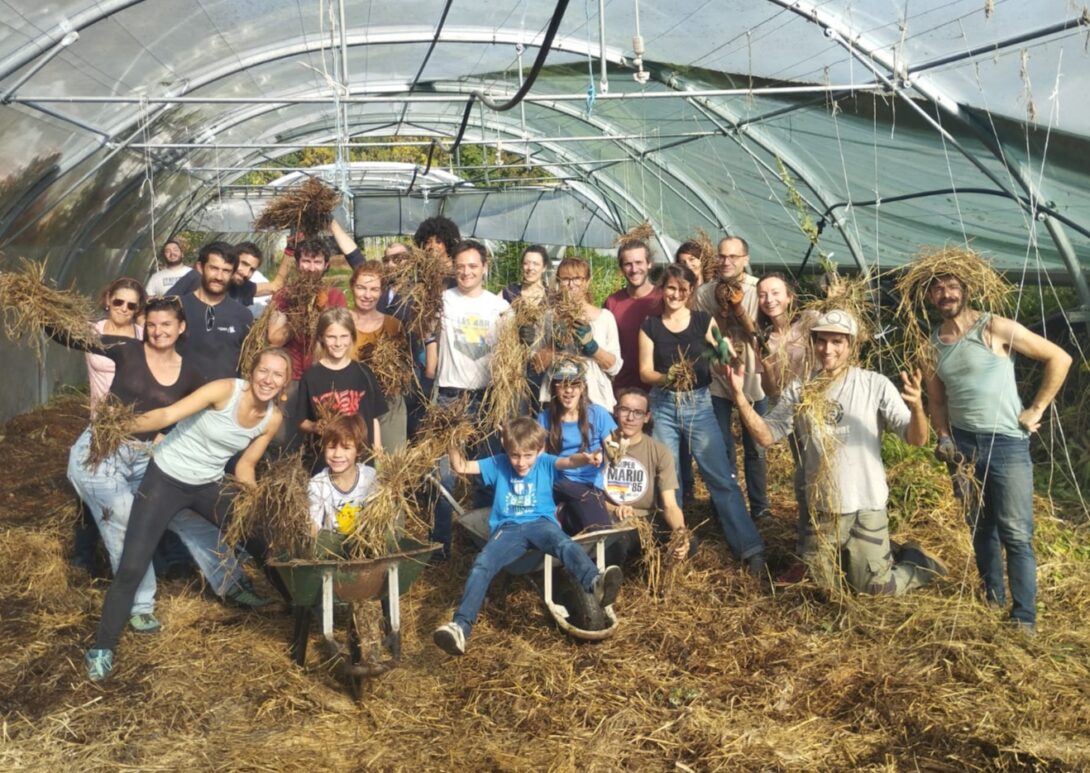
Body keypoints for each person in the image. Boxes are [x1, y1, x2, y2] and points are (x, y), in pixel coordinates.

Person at [56, 296, 257, 639]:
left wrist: (169, 434)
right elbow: (77, 338)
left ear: (181, 328)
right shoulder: (127, 349)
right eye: (151, 324)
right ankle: (140, 606)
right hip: (99, 452)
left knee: (188, 515)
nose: (158, 331)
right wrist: (48, 316)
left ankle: (232, 583)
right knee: (122, 519)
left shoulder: (191, 374)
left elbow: (201, 415)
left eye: (166, 324)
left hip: (145, 453)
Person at [85, 348, 291, 681]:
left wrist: (256, 503)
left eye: (277, 374)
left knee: (259, 539)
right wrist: (120, 424)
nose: (268, 379)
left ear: (285, 382)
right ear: (252, 372)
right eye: (263, 371)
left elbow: (245, 466)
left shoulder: (273, 418)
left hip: (207, 485)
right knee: (133, 566)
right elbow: (167, 416)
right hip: (164, 478)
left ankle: (301, 604)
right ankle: (102, 649)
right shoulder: (225, 390)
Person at [729, 309, 944, 595]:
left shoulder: (873, 383)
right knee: (822, 590)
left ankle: (917, 562)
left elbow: (916, 439)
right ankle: (877, 550)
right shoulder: (802, 388)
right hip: (822, 510)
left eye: (837, 342)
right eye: (821, 341)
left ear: (851, 346)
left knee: (874, 589)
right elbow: (767, 435)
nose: (827, 349)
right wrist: (739, 396)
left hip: (865, 504)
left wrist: (918, 407)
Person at [924, 268, 1071, 630]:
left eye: (952, 285)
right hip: (963, 447)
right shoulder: (931, 344)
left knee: (1016, 533)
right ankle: (993, 599)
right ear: (929, 298)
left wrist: (1036, 408)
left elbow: (1060, 358)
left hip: (1006, 445)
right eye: (937, 289)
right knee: (980, 526)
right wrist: (943, 436)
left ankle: (1024, 618)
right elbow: (937, 401)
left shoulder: (994, 328)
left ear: (965, 289)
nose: (946, 294)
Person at [432, 417, 623, 656]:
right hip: (508, 528)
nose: (521, 463)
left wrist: (585, 458)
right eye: (515, 455)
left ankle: (595, 583)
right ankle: (460, 627)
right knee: (482, 564)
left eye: (527, 456)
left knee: (564, 543)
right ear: (506, 448)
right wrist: (452, 438)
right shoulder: (499, 463)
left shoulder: (544, 462)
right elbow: (461, 466)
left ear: (539, 450)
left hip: (541, 523)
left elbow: (568, 461)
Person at [638, 263, 766, 575]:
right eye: (671, 288)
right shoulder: (650, 326)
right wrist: (668, 376)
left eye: (683, 289)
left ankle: (750, 548)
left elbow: (721, 353)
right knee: (669, 482)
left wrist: (727, 357)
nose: (676, 294)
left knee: (720, 476)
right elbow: (645, 371)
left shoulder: (701, 321)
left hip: (699, 404)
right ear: (663, 289)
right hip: (665, 405)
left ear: (691, 291)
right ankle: (675, 546)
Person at [426, 239, 511, 557]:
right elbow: (425, 330)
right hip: (448, 398)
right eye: (460, 266)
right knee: (443, 474)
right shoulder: (442, 301)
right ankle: (440, 546)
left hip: (487, 399)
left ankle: (484, 545)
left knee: (486, 474)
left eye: (473, 266)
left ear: (485, 268)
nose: (466, 271)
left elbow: (511, 356)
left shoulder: (499, 308)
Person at [71, 278, 150, 571]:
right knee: (89, 488)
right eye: (119, 302)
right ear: (108, 300)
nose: (124, 309)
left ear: (138, 307)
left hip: (136, 424)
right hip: (100, 424)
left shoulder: (144, 336)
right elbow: (59, 332)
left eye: (132, 305)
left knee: (134, 491)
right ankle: (84, 555)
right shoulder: (92, 331)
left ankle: (146, 557)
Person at [694, 236, 769, 521]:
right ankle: (729, 506)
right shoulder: (705, 293)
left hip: (754, 379)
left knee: (756, 447)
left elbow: (761, 339)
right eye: (722, 256)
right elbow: (713, 341)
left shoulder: (758, 290)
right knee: (722, 446)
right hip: (718, 378)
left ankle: (761, 508)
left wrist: (738, 310)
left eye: (733, 257)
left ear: (745, 259)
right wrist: (723, 314)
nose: (726, 262)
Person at [602, 388, 689, 560]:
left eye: (638, 412)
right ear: (616, 411)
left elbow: (670, 505)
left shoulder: (660, 451)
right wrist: (614, 508)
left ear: (647, 417)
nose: (630, 418)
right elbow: (589, 494)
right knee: (616, 545)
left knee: (689, 544)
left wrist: (681, 533)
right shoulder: (601, 445)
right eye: (625, 410)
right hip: (611, 519)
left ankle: (652, 571)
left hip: (647, 519)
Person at [536, 357, 617, 534]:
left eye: (574, 384)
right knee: (600, 528)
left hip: (593, 486)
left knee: (591, 527)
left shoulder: (598, 414)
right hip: (560, 483)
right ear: (554, 388)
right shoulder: (544, 418)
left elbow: (614, 450)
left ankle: (564, 516)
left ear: (583, 387)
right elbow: (539, 460)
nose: (569, 391)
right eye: (562, 384)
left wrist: (605, 455)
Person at [297, 308, 387, 464]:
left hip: (362, 459)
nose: (338, 343)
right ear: (321, 338)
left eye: (344, 336)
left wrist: (377, 452)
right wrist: (314, 426)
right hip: (329, 460)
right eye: (331, 337)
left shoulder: (363, 372)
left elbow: (374, 418)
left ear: (352, 337)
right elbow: (301, 420)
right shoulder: (311, 377)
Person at [532, 256, 622, 411]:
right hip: (557, 398)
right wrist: (553, 344)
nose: (571, 284)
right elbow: (537, 366)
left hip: (595, 399)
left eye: (577, 279)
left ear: (587, 282)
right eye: (565, 279)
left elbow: (615, 367)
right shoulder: (548, 317)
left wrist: (593, 348)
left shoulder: (604, 317)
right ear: (559, 282)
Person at [348, 261, 408, 452]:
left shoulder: (393, 325)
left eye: (374, 289)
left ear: (382, 292)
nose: (367, 295)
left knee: (390, 461)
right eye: (361, 288)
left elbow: (402, 367)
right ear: (352, 287)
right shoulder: (340, 321)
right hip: (350, 401)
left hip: (389, 403)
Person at [176, 241, 253, 382]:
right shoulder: (177, 307)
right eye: (213, 268)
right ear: (200, 268)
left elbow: (248, 362)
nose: (219, 276)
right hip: (183, 399)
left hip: (225, 401)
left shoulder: (243, 316)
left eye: (226, 271)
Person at [604, 240, 662, 397]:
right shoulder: (612, 302)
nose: (634, 269)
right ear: (621, 268)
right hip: (623, 388)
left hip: (658, 390)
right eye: (628, 264)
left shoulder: (663, 300)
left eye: (639, 262)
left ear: (649, 264)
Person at [170, 241, 288, 317]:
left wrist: (291, 250)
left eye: (252, 269)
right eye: (244, 264)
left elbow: (275, 286)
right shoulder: (196, 278)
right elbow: (163, 306)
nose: (246, 273)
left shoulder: (241, 288)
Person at [307, 414, 379, 538]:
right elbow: (314, 525)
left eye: (346, 448)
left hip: (365, 544)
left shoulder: (370, 477)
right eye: (331, 447)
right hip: (332, 549)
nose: (337, 454)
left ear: (358, 450)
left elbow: (379, 515)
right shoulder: (318, 484)